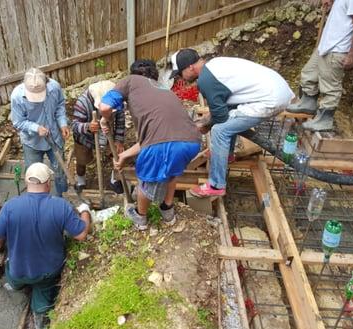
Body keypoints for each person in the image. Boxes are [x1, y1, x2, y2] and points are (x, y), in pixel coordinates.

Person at [170, 49, 294, 198]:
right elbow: (225, 106)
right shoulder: (214, 65)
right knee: (228, 122)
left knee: (220, 130)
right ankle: (226, 156)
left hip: (270, 100)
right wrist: (207, 121)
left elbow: (221, 118)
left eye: (180, 74)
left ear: (190, 67)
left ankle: (216, 185)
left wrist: (205, 125)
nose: (180, 78)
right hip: (277, 89)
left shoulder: (205, 80)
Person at [0, 163, 91, 329]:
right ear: (48, 183)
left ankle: (15, 285)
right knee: (44, 293)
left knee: (12, 272)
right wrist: (85, 211)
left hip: (18, 269)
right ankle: (40, 320)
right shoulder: (60, 206)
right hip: (48, 271)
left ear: (26, 182)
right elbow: (81, 234)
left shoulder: (10, 207)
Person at [98, 59, 201, 230]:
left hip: (162, 144)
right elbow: (153, 138)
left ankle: (140, 217)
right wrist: (124, 155)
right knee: (171, 174)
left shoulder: (130, 81)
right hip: (191, 142)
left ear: (133, 73)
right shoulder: (164, 90)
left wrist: (105, 118)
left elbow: (104, 106)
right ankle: (168, 212)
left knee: (145, 181)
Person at [287, 0, 353, 131]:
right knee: (309, 73)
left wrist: (351, 54)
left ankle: (324, 120)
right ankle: (308, 103)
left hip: (337, 49)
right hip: (325, 46)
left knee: (330, 87)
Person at [11, 68, 69, 197]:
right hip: (32, 142)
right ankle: (36, 202)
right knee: (34, 175)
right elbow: (18, 122)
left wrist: (63, 123)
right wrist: (35, 128)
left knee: (60, 171)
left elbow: (60, 105)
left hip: (54, 137)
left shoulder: (54, 87)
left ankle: (63, 198)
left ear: (46, 84)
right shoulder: (17, 96)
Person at [71, 80, 125, 193]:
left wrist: (119, 140)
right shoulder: (83, 102)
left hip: (108, 131)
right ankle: (81, 181)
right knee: (82, 160)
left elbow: (120, 121)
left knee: (118, 156)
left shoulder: (116, 99)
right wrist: (87, 127)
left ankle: (114, 180)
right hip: (85, 136)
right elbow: (74, 126)